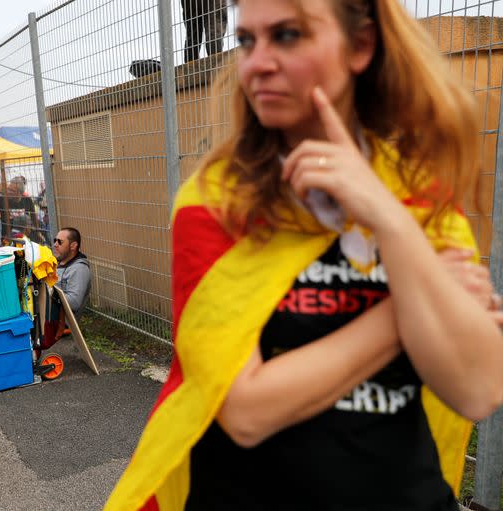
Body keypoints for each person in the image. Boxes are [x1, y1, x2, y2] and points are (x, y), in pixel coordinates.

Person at [105, 1, 503, 510]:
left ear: (361, 46)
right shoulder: (217, 200)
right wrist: (412, 301)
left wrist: (392, 222)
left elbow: (477, 389)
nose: (257, 62)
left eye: (287, 35)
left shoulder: (415, 191)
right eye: (248, 40)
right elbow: (246, 411)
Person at [52, 227, 91, 316]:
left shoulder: (79, 269)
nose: (55, 244)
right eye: (55, 240)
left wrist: (49, 291)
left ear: (73, 246)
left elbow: (74, 303)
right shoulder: (58, 261)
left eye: (60, 242)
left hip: (61, 323)